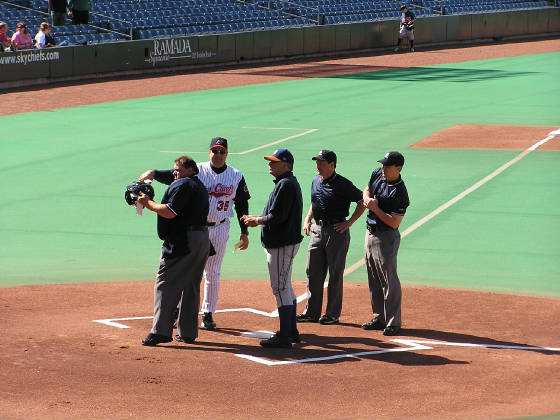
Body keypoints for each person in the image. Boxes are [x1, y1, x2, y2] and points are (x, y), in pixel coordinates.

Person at [139, 137, 250, 331]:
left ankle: (208, 313)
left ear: (227, 153)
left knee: (212, 272)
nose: (218, 154)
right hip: (197, 229)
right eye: (214, 151)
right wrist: (154, 173)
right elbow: (174, 176)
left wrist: (244, 232)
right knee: (189, 272)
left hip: (221, 227)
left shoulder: (236, 175)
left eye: (222, 151)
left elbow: (242, 203)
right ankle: (177, 311)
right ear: (209, 152)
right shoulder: (197, 170)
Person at [139, 156, 211, 346]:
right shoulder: (196, 185)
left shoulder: (183, 185)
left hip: (184, 241)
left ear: (190, 169)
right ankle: (187, 332)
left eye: (178, 170)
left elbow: (169, 211)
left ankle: (161, 331)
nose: (174, 173)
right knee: (191, 286)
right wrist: (153, 174)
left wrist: (148, 203)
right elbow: (170, 178)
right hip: (202, 240)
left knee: (165, 282)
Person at [241, 149, 303, 349]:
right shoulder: (286, 183)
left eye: (274, 162)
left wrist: (256, 220)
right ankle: (291, 331)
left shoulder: (286, 185)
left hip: (281, 244)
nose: (270, 164)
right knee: (286, 286)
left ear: (286, 165)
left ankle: (285, 335)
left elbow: (277, 217)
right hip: (286, 243)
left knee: (280, 288)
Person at [297, 150, 366, 325]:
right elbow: (315, 202)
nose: (318, 166)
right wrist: (307, 219)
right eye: (317, 162)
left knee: (335, 274)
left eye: (322, 163)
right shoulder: (315, 181)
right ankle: (311, 312)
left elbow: (362, 200)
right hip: (317, 230)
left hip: (337, 232)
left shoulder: (343, 184)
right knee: (312, 272)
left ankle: (332, 314)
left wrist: (349, 222)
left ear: (332, 165)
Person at [361, 151, 410, 336]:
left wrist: (375, 208)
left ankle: (393, 322)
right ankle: (379, 317)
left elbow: (394, 222)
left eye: (387, 166)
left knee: (389, 280)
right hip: (370, 233)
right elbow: (367, 189)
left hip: (386, 238)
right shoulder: (377, 174)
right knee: (373, 278)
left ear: (398, 168)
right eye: (383, 164)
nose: (383, 168)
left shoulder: (400, 192)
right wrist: (367, 200)